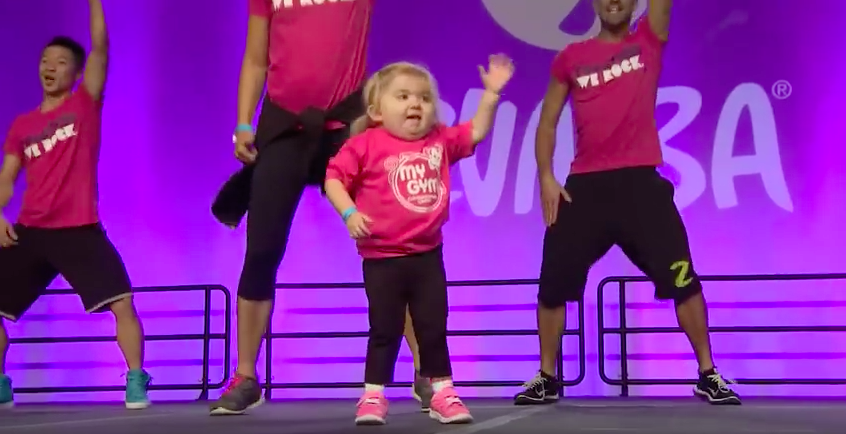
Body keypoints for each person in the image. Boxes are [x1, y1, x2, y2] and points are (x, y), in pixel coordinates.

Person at [209, 0, 431, 415]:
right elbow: (256, 59)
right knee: (261, 250)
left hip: (346, 125)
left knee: (390, 242)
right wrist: (243, 122)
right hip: (283, 126)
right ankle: (246, 376)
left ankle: (427, 370)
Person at [514, 0, 741, 406]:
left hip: (641, 184)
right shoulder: (571, 58)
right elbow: (547, 120)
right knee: (552, 282)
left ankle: (708, 373)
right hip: (585, 187)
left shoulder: (648, 39)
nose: (613, 1)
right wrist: (546, 176)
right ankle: (546, 377)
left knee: (683, 278)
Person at [324, 57, 514, 425]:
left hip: (428, 255)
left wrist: (491, 93)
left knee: (432, 326)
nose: (416, 104)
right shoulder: (365, 144)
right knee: (385, 327)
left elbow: (474, 131)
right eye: (404, 96)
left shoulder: (439, 139)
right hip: (382, 257)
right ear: (377, 111)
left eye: (425, 98)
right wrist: (349, 213)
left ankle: (443, 392)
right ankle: (373, 395)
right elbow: (334, 180)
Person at [0, 0, 150, 410]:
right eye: (45, 60)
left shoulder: (84, 103)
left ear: (76, 71)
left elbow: (101, 46)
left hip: (80, 227)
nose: (49, 67)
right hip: (31, 230)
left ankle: (136, 379)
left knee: (122, 302)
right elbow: (7, 178)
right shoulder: (22, 125)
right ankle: (0, 383)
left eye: (61, 61)